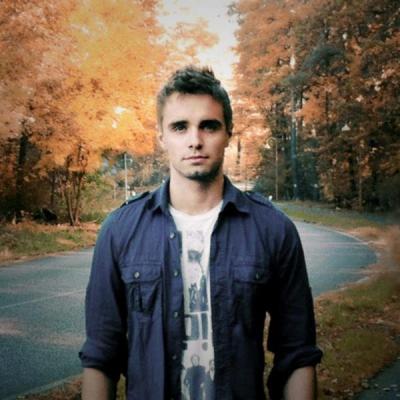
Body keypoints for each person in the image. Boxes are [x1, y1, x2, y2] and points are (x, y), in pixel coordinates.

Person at [79, 66, 323, 400]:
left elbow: (297, 354)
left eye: (209, 125)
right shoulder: (120, 231)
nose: (195, 140)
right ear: (162, 137)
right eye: (180, 127)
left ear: (228, 133)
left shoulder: (273, 230)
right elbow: (100, 356)